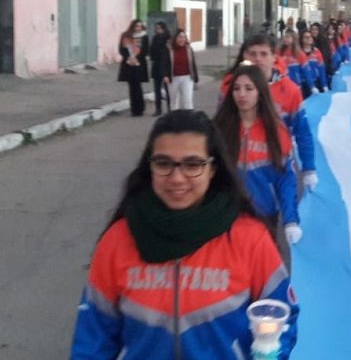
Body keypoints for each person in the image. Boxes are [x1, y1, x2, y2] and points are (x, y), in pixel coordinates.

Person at [70, 110, 298, 358]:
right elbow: (93, 335)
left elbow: (281, 315)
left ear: (212, 169)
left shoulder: (250, 239)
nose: (177, 178)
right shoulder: (118, 241)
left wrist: (271, 351)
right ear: (150, 166)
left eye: (192, 164)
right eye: (164, 163)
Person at [214, 64, 302, 245]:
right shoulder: (219, 128)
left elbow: (286, 178)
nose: (242, 94)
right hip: (225, 215)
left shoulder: (277, 130)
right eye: (236, 89)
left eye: (249, 88)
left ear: (260, 92)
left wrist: (290, 219)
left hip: (264, 215)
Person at [218, 35, 317, 191]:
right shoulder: (230, 86)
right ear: (244, 56)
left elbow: (302, 132)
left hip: (276, 171)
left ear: (274, 57)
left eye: (264, 54)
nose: (258, 59)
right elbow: (220, 127)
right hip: (236, 170)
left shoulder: (290, 91)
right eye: (252, 54)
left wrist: (309, 168)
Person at [117, 19, 149, 117]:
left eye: (140, 26)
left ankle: (140, 108)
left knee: (138, 86)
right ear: (132, 27)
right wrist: (129, 57)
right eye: (136, 26)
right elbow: (121, 50)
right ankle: (134, 110)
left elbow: (146, 50)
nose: (138, 28)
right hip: (128, 64)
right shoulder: (125, 36)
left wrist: (136, 58)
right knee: (131, 87)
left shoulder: (144, 36)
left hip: (139, 64)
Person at [161, 29, 198, 110]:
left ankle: (189, 119)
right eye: (180, 37)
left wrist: (195, 78)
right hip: (173, 78)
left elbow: (193, 63)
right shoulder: (169, 49)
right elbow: (164, 63)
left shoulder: (188, 49)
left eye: (184, 37)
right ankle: (175, 119)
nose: (182, 39)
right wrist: (165, 75)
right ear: (175, 38)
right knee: (174, 100)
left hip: (187, 77)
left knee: (188, 99)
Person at [149, 22, 171, 116]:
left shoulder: (168, 39)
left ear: (164, 29)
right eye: (156, 28)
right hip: (157, 66)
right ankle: (158, 109)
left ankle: (170, 109)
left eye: (159, 28)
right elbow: (151, 52)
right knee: (157, 89)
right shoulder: (155, 38)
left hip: (166, 67)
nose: (158, 30)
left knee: (168, 89)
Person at [300, 29, 327, 97]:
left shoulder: (316, 51)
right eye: (306, 37)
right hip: (302, 84)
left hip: (315, 82)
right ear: (301, 39)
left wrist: (324, 85)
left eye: (310, 37)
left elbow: (321, 70)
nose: (309, 39)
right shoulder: (298, 52)